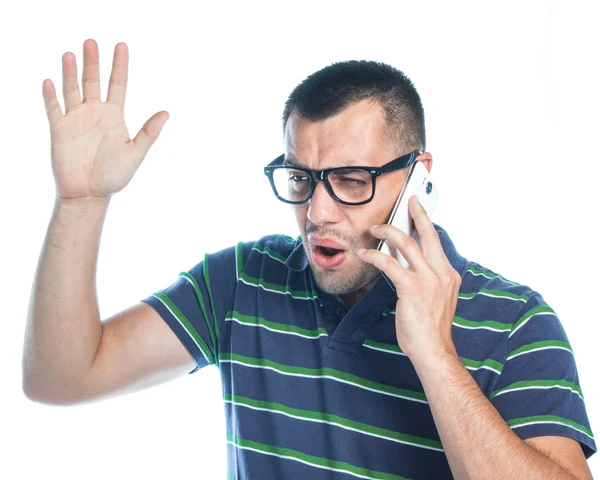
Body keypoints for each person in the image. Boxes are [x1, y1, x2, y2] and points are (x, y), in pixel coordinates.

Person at [23, 39, 596, 480]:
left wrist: (436, 356)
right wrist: (82, 201)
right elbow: (61, 377)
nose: (317, 210)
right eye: (301, 178)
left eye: (350, 180)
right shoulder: (245, 281)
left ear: (419, 177)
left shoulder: (517, 322)